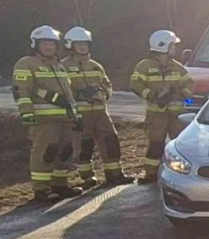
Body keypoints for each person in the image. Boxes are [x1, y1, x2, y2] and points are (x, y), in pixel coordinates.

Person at [12, 26, 82, 200]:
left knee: (64, 151)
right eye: (45, 43)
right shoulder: (26, 63)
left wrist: (76, 115)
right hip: (44, 119)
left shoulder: (59, 67)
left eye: (52, 43)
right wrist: (27, 113)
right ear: (36, 44)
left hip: (65, 119)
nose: (49, 47)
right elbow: (21, 91)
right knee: (45, 152)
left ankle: (60, 185)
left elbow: (68, 95)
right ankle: (41, 189)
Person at [62, 26, 130, 186]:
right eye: (79, 44)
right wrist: (80, 94)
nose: (83, 47)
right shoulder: (63, 67)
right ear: (70, 45)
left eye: (85, 44)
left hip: (100, 112)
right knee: (83, 146)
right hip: (80, 114)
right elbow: (62, 90)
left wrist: (102, 95)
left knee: (110, 141)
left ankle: (114, 174)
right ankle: (87, 178)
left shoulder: (95, 65)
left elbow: (107, 85)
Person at [131, 30, 193, 184]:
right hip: (156, 115)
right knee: (156, 144)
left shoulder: (178, 68)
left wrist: (179, 93)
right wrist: (152, 95)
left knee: (179, 146)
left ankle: (179, 173)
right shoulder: (144, 66)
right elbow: (135, 84)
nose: (174, 49)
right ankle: (151, 174)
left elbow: (190, 85)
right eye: (172, 45)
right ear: (164, 46)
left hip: (176, 115)